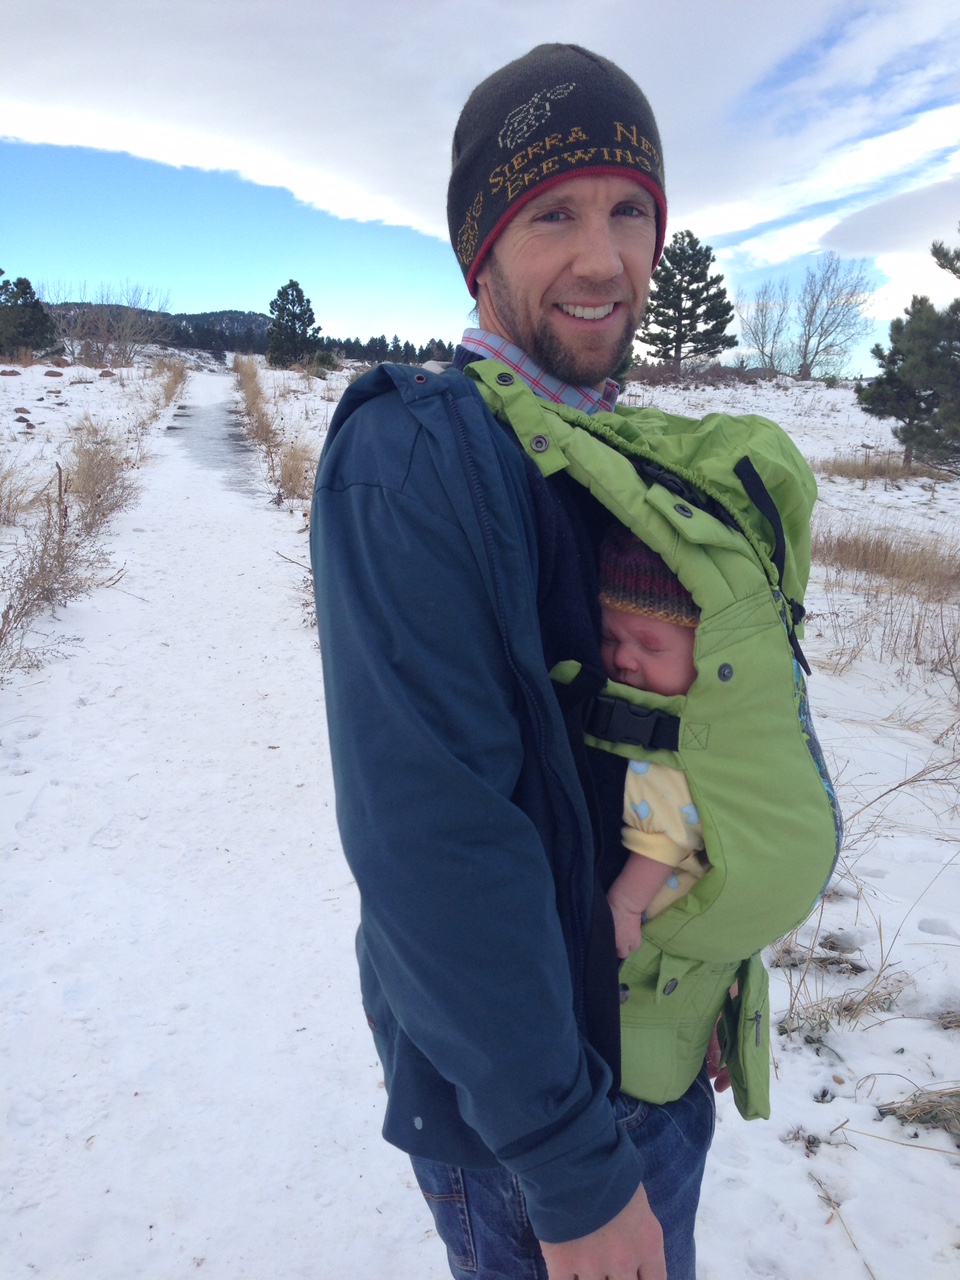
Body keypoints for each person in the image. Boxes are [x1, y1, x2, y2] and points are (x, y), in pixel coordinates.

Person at [313, 44, 730, 1280]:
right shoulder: (418, 459)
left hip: (648, 1060)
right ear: (479, 250)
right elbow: (436, 846)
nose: (602, 258)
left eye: (630, 211)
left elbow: (658, 746)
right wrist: (567, 1161)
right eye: (553, 213)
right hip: (537, 1129)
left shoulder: (620, 461)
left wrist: (692, 966)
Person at [597, 524, 711, 961]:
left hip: (657, 923)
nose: (623, 658)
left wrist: (625, 906)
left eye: (650, 646)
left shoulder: (676, 747)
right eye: (611, 638)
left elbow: (665, 838)